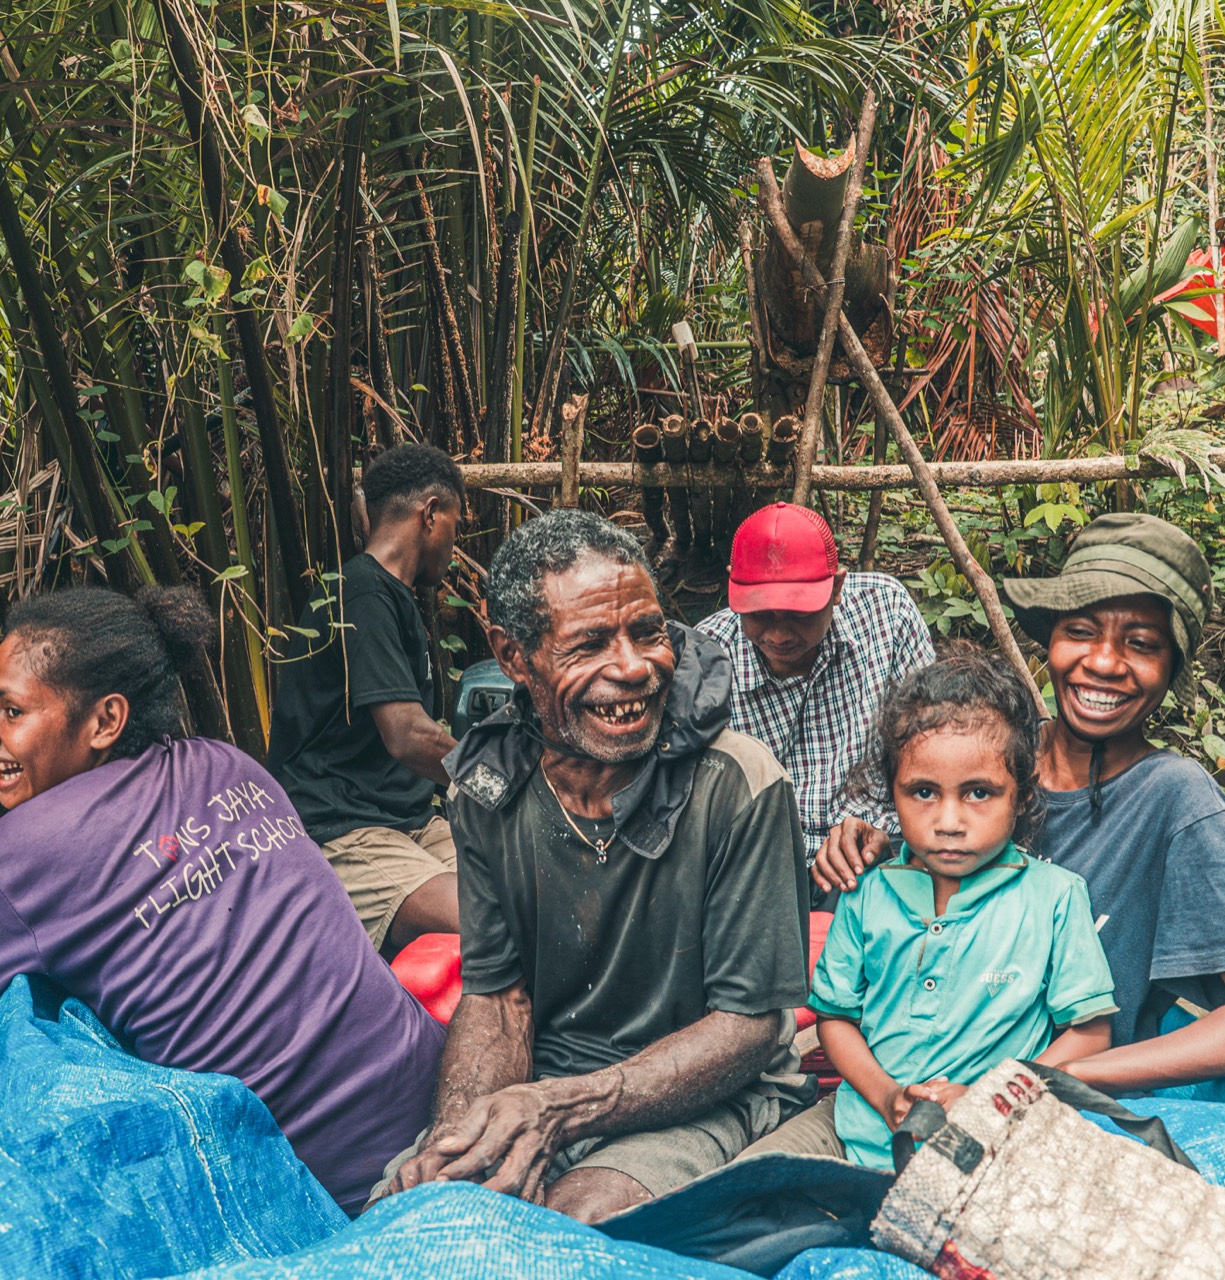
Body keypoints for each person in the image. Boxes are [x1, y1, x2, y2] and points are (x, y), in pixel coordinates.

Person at [0, 585, 445, 1214]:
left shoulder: (15, 855)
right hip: (445, 1102)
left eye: (11, 711)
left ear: (104, 721)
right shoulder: (229, 765)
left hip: (330, 1196)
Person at [382, 510, 812, 1223]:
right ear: (514, 657)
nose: (634, 667)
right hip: (547, 1089)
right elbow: (498, 997)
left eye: (648, 632)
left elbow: (752, 1027)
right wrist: (459, 1141)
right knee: (417, 1216)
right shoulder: (484, 788)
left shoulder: (738, 781)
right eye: (590, 643)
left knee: (570, 1228)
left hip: (707, 1096)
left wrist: (561, 1109)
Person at [813, 513, 1225, 1092]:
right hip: (908, 1078)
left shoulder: (1175, 799)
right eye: (1080, 631)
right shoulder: (996, 759)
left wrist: (1044, 1078)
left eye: (1142, 644)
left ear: (1170, 668)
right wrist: (884, 846)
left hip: (1053, 1100)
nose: (1102, 662)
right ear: (1049, 640)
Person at [751, 646, 1117, 1167]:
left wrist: (989, 1096)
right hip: (855, 1123)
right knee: (746, 1186)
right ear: (892, 794)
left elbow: (1089, 1032)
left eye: (979, 793)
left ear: (1021, 794)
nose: (949, 819)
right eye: (923, 791)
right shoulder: (868, 892)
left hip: (993, 1136)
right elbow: (835, 1017)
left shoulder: (1055, 897)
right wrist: (884, 1096)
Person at [268, 443, 464, 955]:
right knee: (485, 918)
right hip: (344, 828)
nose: (453, 545)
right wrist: (498, 777)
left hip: (410, 823)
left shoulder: (389, 596)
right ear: (431, 514)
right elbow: (407, 734)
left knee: (536, 890)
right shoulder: (362, 592)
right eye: (455, 527)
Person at [696, 502, 936, 883]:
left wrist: (892, 838)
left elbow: (932, 753)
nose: (779, 635)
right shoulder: (708, 657)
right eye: (759, 613)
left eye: (798, 614)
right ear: (733, 588)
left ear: (837, 587)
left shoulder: (886, 616)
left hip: (877, 855)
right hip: (757, 868)